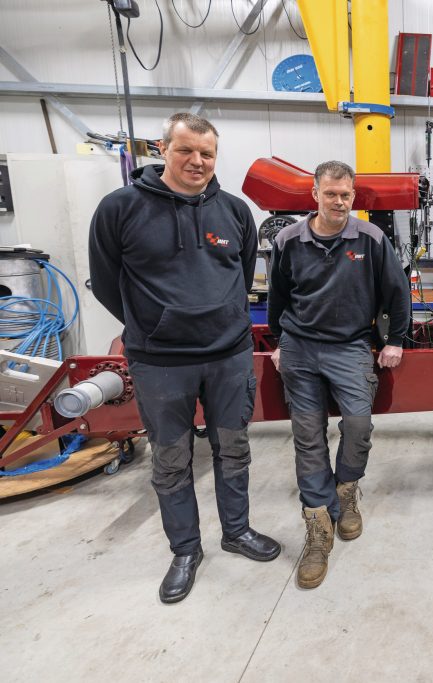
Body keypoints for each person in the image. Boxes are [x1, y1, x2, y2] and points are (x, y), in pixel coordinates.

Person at [89, 112, 281, 604]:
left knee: (234, 450)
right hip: (159, 361)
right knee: (172, 459)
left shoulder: (236, 212)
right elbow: (109, 284)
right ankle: (185, 550)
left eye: (207, 153)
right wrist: (153, 324)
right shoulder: (120, 209)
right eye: (186, 151)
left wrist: (221, 321)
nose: (197, 161)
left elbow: (240, 278)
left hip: (229, 356)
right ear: (163, 149)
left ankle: (235, 531)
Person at [267, 161, 410, 590]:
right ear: (314, 194)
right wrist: (279, 342)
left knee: (358, 424)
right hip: (301, 348)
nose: (339, 201)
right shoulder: (288, 240)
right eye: (330, 194)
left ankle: (345, 491)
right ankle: (317, 529)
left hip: (349, 346)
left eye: (345, 194)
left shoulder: (370, 238)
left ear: (353, 195)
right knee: (308, 435)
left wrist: (396, 339)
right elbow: (277, 296)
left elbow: (397, 291)